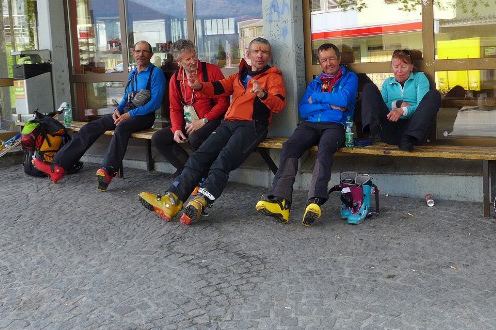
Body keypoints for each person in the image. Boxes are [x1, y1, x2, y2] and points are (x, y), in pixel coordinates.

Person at [138, 38, 286, 225]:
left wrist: (263, 94)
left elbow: (279, 104)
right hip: (229, 124)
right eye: (256, 51)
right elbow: (219, 88)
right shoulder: (239, 76)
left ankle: (203, 200)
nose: (260, 55)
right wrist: (199, 86)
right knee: (200, 155)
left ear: (269, 56)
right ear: (247, 54)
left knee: (223, 159)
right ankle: (172, 200)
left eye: (264, 52)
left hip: (253, 126)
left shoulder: (273, 77)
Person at [32, 40, 166, 191]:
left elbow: (155, 103)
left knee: (121, 128)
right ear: (133, 53)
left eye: (145, 51)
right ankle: (58, 166)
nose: (141, 54)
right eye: (138, 51)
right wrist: (118, 110)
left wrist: (129, 114)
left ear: (151, 54)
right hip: (126, 113)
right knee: (91, 127)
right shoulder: (134, 73)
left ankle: (108, 171)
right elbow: (126, 97)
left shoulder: (156, 73)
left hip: (144, 116)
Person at [255, 43, 358, 226]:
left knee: (325, 149)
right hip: (310, 124)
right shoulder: (315, 83)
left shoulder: (350, 78)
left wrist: (318, 98)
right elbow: (303, 109)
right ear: (319, 63)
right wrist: (329, 104)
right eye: (324, 60)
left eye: (332, 58)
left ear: (339, 59)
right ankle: (280, 201)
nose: (329, 63)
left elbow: (343, 99)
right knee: (290, 146)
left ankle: (314, 201)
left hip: (335, 125)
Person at [151, 40, 228, 176]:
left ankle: (205, 174)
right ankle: (188, 169)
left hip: (212, 119)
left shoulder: (211, 71)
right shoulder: (175, 79)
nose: (193, 61)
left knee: (195, 137)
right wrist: (176, 129)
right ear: (178, 61)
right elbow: (175, 108)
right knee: (159, 138)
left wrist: (204, 120)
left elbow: (223, 102)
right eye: (188, 59)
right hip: (190, 121)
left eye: (194, 56)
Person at [360, 49, 441, 151]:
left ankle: (408, 139)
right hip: (390, 129)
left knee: (434, 95)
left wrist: (403, 111)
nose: (399, 70)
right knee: (369, 88)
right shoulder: (387, 83)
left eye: (403, 66)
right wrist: (398, 104)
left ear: (411, 66)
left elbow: (422, 107)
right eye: (396, 67)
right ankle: (371, 131)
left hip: (412, 132)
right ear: (392, 67)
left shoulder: (420, 78)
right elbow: (383, 106)